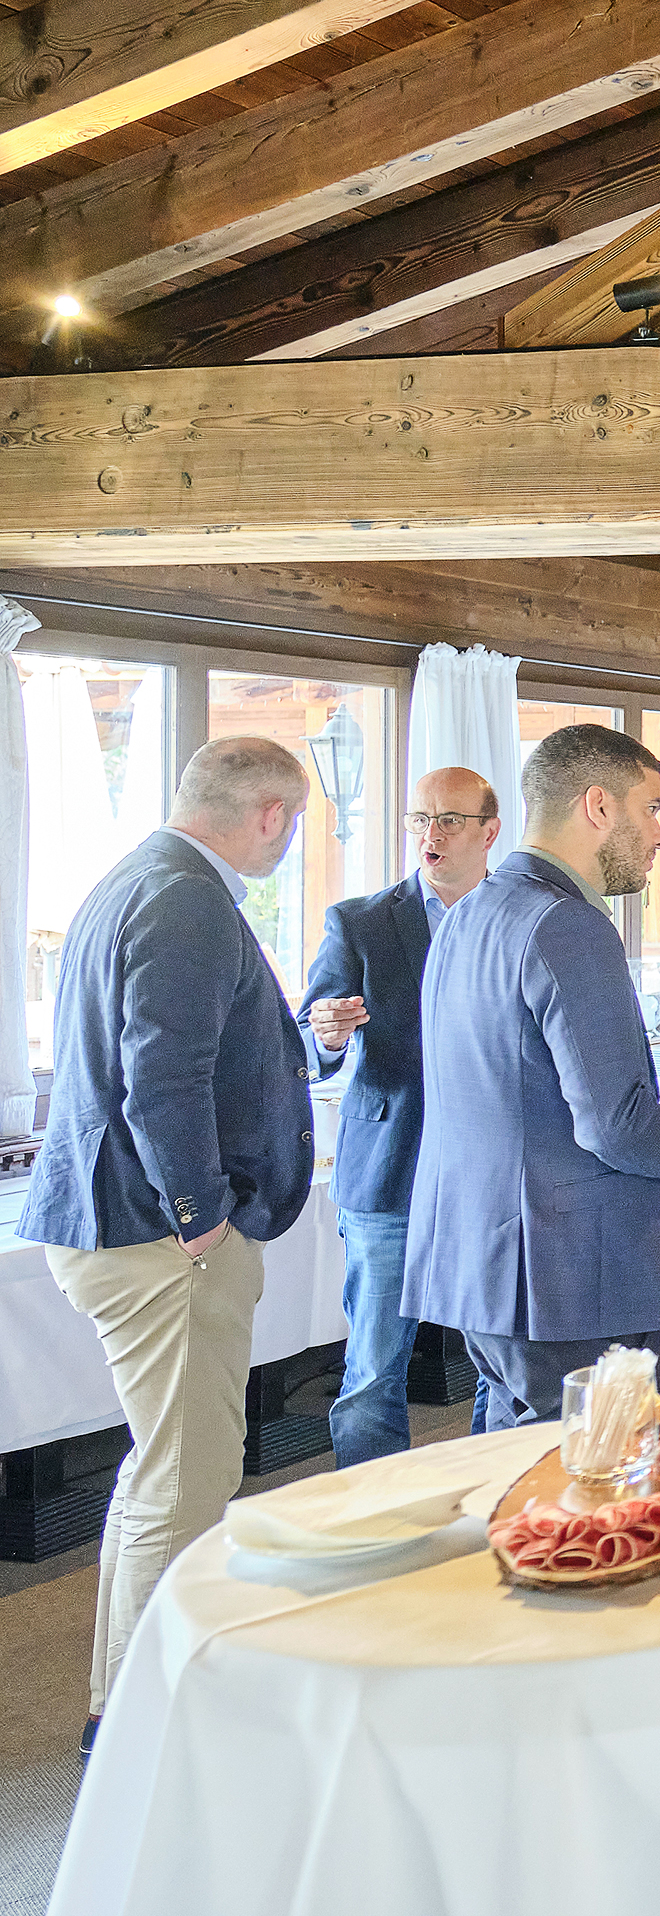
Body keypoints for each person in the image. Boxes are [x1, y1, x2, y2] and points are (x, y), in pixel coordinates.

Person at [27, 737, 317, 1737]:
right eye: (298, 821)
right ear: (270, 813)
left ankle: (131, 1701)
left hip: (121, 1223)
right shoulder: (187, 895)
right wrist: (202, 1219)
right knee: (186, 1482)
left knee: (164, 1470)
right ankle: (144, 1728)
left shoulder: (137, 877)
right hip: (159, 1237)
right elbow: (162, 1081)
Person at [406, 725, 660, 1429]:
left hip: (481, 1261)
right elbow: (614, 1126)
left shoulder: (469, 910)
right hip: (569, 1273)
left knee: (516, 1493)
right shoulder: (566, 925)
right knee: (597, 1499)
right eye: (653, 808)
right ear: (599, 807)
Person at [299, 766, 502, 1467]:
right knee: (374, 1368)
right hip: (390, 1169)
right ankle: (369, 1522)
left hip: (493, 1176)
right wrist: (326, 1033)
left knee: (501, 1358)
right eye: (420, 819)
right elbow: (310, 1034)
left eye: (449, 820)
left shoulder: (520, 917)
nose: (432, 834)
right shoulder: (360, 920)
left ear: (490, 832)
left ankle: (492, 1496)